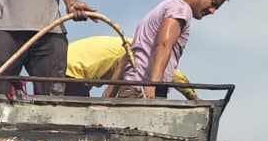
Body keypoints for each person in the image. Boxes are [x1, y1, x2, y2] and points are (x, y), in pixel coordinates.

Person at [117, 0, 230, 98]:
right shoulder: (181, 9)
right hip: (145, 90)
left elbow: (128, 56)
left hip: (131, 88)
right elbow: (164, 44)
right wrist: (152, 86)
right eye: (213, 3)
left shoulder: (165, 6)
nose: (213, 11)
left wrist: (108, 96)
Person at [63, 35, 191, 98]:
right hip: (72, 68)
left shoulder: (138, 51)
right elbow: (176, 76)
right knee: (79, 121)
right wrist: (194, 99)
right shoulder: (144, 54)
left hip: (68, 64)